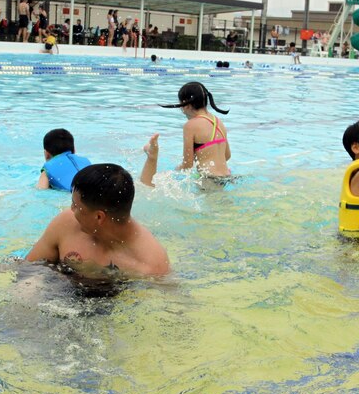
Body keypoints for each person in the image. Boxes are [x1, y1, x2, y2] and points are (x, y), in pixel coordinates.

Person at [26, 164, 170, 278]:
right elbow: (28, 268)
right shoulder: (66, 223)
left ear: (99, 217)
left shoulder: (150, 267)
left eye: (76, 206)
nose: (71, 209)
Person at [159, 81, 231, 180]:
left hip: (209, 180)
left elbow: (187, 164)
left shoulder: (190, 125)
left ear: (186, 105)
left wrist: (169, 173)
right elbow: (227, 156)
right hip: (227, 177)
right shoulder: (218, 121)